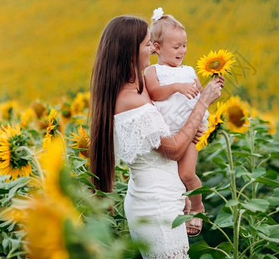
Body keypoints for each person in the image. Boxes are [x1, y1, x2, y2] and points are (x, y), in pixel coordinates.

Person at [89, 15, 224, 258]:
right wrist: (202, 103)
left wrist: (180, 191)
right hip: (156, 207)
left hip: (164, 199)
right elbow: (172, 149)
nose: (152, 49)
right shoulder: (130, 98)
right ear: (131, 52)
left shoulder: (139, 87)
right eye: (148, 44)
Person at [144, 9, 206, 237]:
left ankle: (197, 207)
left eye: (184, 45)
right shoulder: (153, 71)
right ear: (157, 47)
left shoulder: (189, 71)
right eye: (176, 47)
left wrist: (201, 127)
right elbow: (155, 93)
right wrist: (177, 87)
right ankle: (184, 207)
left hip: (188, 134)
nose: (182, 51)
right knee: (172, 182)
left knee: (187, 175)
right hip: (166, 136)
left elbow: (200, 101)